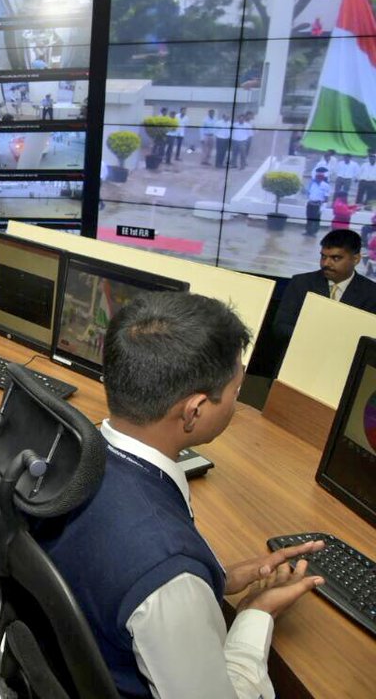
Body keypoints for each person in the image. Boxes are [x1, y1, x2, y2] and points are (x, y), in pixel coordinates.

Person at [38, 292, 326, 699]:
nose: (237, 404)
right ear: (193, 411)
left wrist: (215, 577)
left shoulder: (71, 452)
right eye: (236, 391)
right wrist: (255, 614)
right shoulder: (171, 577)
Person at [272, 229, 376, 353]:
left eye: (335, 258)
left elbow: (369, 338)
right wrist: (315, 339)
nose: (326, 263)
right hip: (301, 352)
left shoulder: (371, 293)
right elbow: (281, 326)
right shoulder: (301, 283)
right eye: (323, 256)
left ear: (356, 259)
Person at [304, 168, 332, 236]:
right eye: (317, 177)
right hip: (310, 203)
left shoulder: (325, 186)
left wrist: (323, 206)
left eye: (320, 177)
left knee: (316, 219)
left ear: (322, 178)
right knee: (309, 217)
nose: (318, 179)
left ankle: (314, 232)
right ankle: (308, 231)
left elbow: (326, 198)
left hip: (318, 204)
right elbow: (308, 193)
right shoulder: (312, 184)